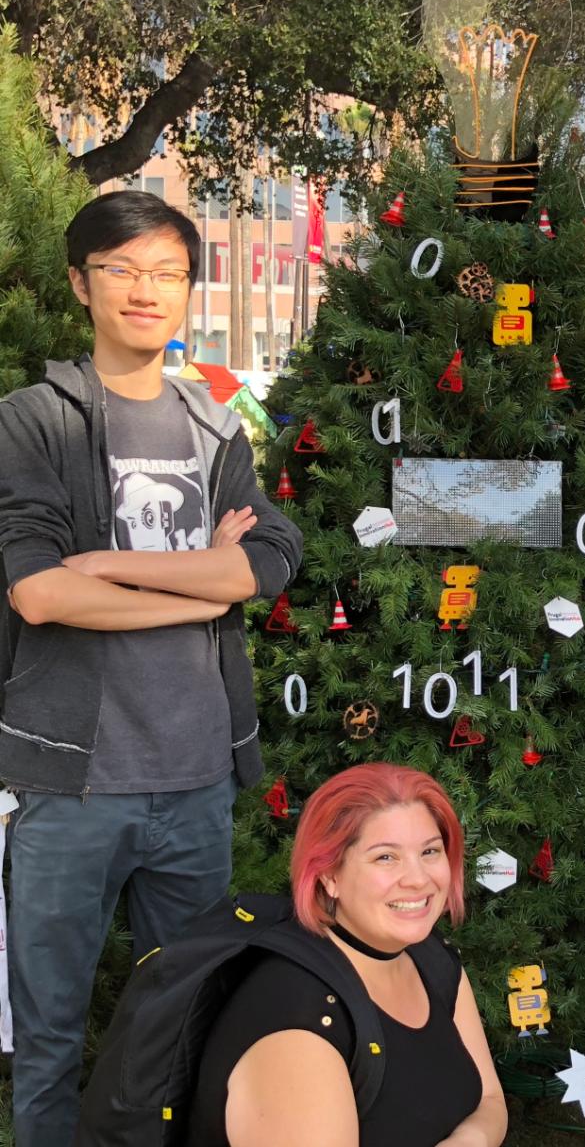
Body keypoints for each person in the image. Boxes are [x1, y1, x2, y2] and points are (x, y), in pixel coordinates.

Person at [0, 189, 303, 1147]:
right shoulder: (33, 421)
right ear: (81, 285)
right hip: (69, 782)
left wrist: (116, 564)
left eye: (167, 273)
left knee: (188, 1022)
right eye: (123, 270)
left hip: (195, 780)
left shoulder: (217, 428)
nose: (146, 291)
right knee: (49, 1033)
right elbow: (38, 594)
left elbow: (261, 562)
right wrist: (199, 587)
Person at [182, 762, 507, 1147]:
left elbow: (489, 1100)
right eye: (386, 857)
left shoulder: (430, 960)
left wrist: (469, 1141)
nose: (419, 878)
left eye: (430, 851)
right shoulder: (296, 1018)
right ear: (329, 875)